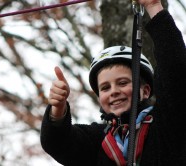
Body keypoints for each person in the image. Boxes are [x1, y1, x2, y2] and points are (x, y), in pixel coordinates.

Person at [40, 0, 186, 165]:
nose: (114, 91)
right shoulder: (97, 141)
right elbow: (57, 144)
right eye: (105, 88)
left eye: (123, 83)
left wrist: (153, 6)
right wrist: (58, 110)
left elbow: (174, 69)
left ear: (145, 91)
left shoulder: (166, 123)